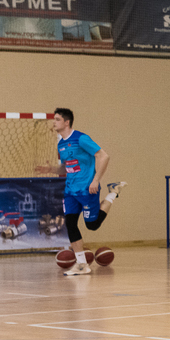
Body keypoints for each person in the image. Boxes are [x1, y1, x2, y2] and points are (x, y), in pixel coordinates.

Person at [48, 107, 126, 277]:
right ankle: (82, 264)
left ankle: (112, 193)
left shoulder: (81, 138)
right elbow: (66, 167)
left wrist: (96, 180)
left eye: (57, 119)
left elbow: (104, 156)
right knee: (70, 224)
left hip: (87, 189)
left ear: (66, 122)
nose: (54, 122)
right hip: (70, 190)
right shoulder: (61, 144)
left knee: (92, 225)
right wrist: (51, 169)